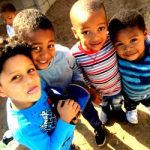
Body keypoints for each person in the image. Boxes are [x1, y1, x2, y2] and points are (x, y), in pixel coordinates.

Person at [12, 8, 106, 146]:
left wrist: (81, 86)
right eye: (36, 48)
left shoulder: (64, 54)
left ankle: (98, 127)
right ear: (22, 47)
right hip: (57, 106)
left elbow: (76, 68)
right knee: (67, 125)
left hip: (79, 96)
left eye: (50, 45)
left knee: (90, 114)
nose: (45, 55)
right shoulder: (28, 73)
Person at [0, 37, 80, 150]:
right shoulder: (23, 129)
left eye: (30, 70)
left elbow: (49, 95)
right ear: (1, 90)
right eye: (16, 77)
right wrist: (65, 120)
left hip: (65, 137)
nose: (30, 80)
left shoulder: (36, 86)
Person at [70, 0, 124, 123]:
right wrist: (91, 90)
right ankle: (105, 110)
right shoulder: (75, 54)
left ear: (107, 25)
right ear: (75, 33)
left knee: (117, 101)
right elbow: (80, 75)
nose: (95, 37)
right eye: (86, 32)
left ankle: (118, 110)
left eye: (101, 28)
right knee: (103, 104)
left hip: (116, 87)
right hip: (98, 92)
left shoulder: (112, 40)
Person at [108, 9, 150, 124]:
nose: (128, 48)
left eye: (133, 40)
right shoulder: (115, 57)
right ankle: (131, 110)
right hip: (130, 94)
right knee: (130, 104)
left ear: (145, 34)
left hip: (149, 91)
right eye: (120, 44)